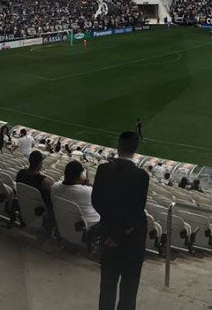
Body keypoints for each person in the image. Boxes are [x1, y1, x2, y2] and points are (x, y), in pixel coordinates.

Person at [92, 131, 149, 310]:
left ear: (118, 146)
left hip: (109, 236)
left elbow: (97, 202)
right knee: (128, 292)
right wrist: (119, 234)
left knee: (107, 288)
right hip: (131, 241)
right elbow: (135, 212)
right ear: (136, 148)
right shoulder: (141, 176)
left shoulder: (103, 169)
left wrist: (110, 232)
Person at [52, 160, 100, 229]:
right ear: (79, 176)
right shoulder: (87, 191)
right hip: (90, 227)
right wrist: (88, 184)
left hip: (65, 224)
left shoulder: (54, 187)